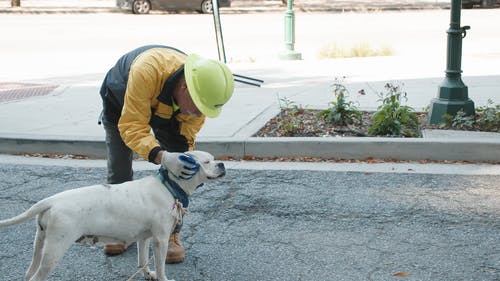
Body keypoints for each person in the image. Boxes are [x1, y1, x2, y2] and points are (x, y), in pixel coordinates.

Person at [98, 45, 234, 263]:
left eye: (205, 110)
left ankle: (170, 234)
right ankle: (118, 229)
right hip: (122, 102)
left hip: (169, 111)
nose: (200, 114)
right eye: (199, 107)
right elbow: (132, 126)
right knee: (119, 172)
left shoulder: (197, 101)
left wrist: (185, 166)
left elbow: (184, 145)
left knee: (180, 175)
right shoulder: (147, 70)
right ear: (184, 86)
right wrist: (161, 156)